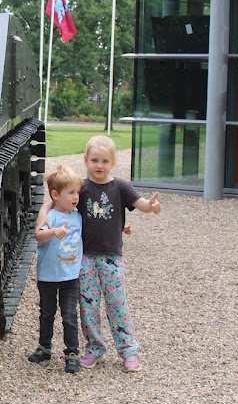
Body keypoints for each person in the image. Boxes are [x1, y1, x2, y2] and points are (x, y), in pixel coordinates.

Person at [37, 135, 161, 372]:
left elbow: (141, 204)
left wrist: (152, 206)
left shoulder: (121, 186)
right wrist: (43, 212)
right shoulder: (81, 189)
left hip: (112, 257)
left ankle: (128, 349)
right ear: (85, 160)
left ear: (112, 162)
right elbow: (55, 204)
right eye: (94, 160)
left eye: (104, 161)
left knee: (117, 303)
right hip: (84, 257)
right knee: (88, 305)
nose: (99, 165)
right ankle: (95, 347)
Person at [28, 164, 83, 374]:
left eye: (77, 192)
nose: (76, 196)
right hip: (48, 277)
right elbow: (38, 235)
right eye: (70, 192)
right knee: (47, 313)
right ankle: (44, 347)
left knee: (69, 315)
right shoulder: (50, 217)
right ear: (55, 195)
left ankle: (71, 352)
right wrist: (54, 232)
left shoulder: (77, 216)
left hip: (70, 276)